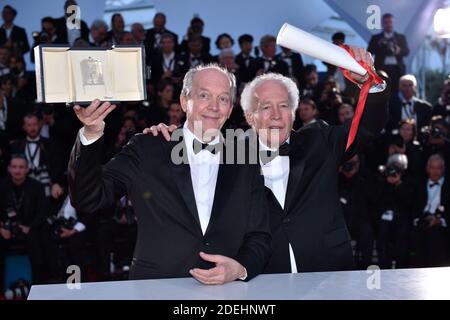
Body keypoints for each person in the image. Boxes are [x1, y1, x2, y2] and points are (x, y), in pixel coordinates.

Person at [147, 47, 391, 273]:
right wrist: (165, 135)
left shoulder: (320, 142)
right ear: (250, 116)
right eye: (265, 107)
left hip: (328, 271)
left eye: (283, 106)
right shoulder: (228, 155)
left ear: (293, 114)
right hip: (262, 276)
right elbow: (187, 158)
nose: (276, 115)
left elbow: (369, 127)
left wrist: (369, 82)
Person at [68, 64, 271, 284]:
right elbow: (88, 199)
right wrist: (91, 133)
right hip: (156, 286)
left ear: (230, 109)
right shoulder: (148, 148)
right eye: (204, 95)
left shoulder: (244, 158)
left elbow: (259, 235)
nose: (214, 106)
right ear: (184, 101)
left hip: (227, 293)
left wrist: (240, 269)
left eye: (223, 99)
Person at [0, 155, 49, 290]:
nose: (17, 170)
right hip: (5, 229)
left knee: (39, 244)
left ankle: (39, 288)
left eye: (21, 167)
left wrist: (30, 227)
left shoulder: (37, 187)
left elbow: (42, 212)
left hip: (30, 228)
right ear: (9, 169)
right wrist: (1, 228)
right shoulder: (2, 186)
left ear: (27, 169)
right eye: (14, 167)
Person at [413, 154, 450, 267]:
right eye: (432, 168)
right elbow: (413, 207)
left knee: (435, 235)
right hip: (421, 221)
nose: (435, 171)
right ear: (427, 169)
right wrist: (419, 219)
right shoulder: (419, 184)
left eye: (438, 168)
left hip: (441, 224)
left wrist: (440, 221)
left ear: (443, 169)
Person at [368, 13, 409, 93]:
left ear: (393, 23)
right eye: (386, 22)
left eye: (390, 22)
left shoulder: (400, 37)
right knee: (382, 92)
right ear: (382, 24)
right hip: (382, 70)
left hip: (397, 70)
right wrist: (378, 44)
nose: (388, 25)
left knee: (397, 93)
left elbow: (406, 51)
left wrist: (398, 50)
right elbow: (369, 51)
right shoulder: (376, 38)